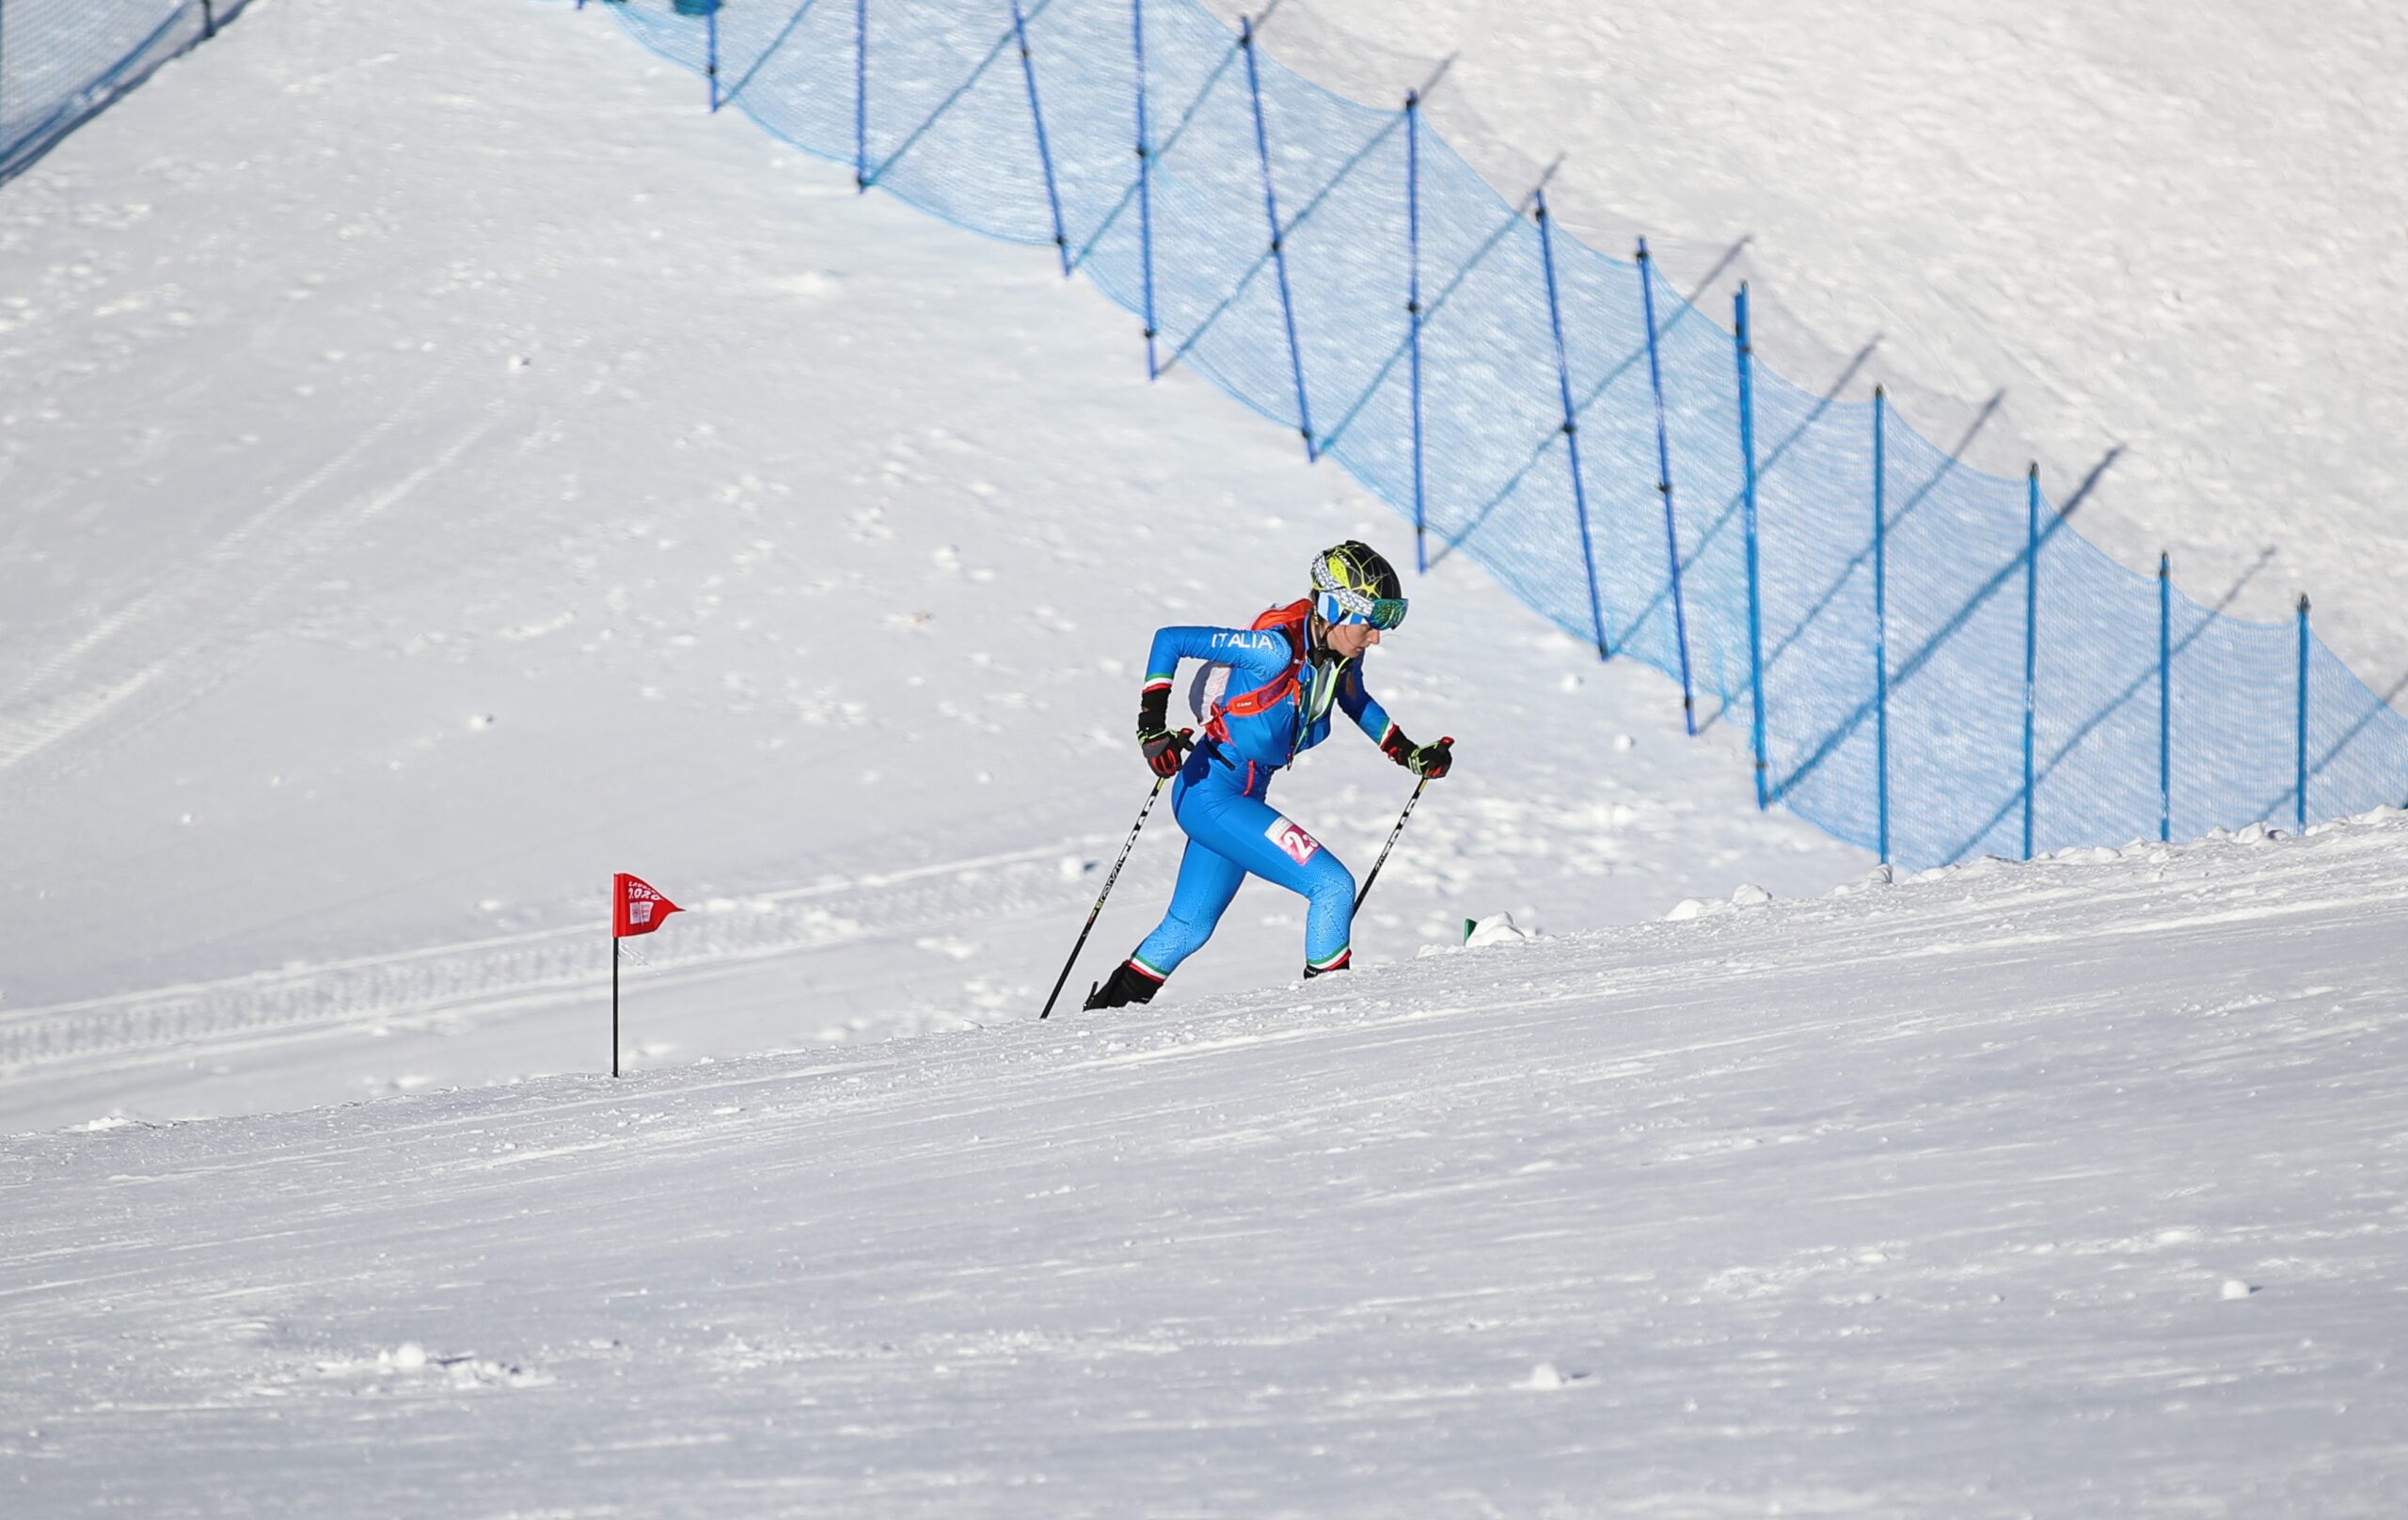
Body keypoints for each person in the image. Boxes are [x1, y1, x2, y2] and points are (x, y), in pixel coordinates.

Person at [1083, 541, 1454, 1011]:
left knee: (1188, 927)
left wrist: (1407, 751)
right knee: (1332, 886)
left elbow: (1354, 699)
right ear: (1335, 609)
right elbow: (1170, 639)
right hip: (1212, 793)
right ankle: (1329, 1017)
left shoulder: (1337, 654)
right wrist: (1151, 728)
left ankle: (1098, 1021)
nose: (1376, 638)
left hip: (1240, 796)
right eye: (1369, 622)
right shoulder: (1274, 650)